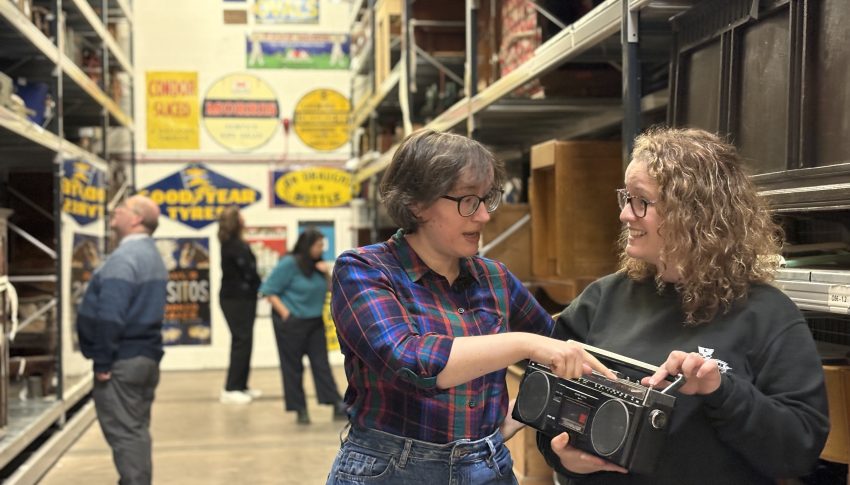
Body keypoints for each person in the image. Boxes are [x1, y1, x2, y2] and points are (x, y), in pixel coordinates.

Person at [536, 127, 830, 484]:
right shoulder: (600, 301)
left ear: (693, 212)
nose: (625, 215)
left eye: (640, 200)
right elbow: (550, 416)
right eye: (625, 198)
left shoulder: (768, 316)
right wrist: (565, 458)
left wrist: (719, 389)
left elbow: (797, 451)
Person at [326, 129, 614, 485]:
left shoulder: (495, 278)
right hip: (390, 470)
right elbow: (409, 361)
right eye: (467, 201)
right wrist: (523, 344)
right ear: (417, 202)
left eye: (486, 199)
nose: (483, 217)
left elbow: (560, 350)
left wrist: (526, 411)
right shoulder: (364, 270)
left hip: (487, 467)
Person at [76, 194, 168, 485]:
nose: (114, 211)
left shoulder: (125, 258)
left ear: (136, 219)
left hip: (122, 359)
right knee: (136, 428)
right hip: (144, 356)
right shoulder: (151, 256)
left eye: (123, 208)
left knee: (125, 433)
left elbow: (111, 314)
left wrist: (103, 359)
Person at [259, 228, 345, 424]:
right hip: (292, 323)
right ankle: (300, 409)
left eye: (322, 245)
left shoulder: (317, 266)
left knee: (321, 364)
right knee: (293, 367)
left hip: (314, 322)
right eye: (318, 245)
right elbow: (268, 291)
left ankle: (335, 403)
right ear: (307, 245)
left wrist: (327, 273)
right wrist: (286, 314)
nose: (321, 249)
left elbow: (333, 289)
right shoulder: (289, 263)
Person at [217, 206, 262, 404]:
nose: (245, 220)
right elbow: (248, 270)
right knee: (241, 340)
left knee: (246, 340)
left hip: (243, 297)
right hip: (235, 298)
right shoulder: (232, 245)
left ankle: (242, 385)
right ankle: (231, 387)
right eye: (241, 217)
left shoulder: (236, 243)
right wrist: (258, 283)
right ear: (235, 222)